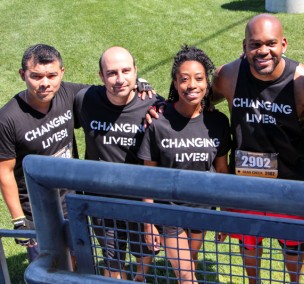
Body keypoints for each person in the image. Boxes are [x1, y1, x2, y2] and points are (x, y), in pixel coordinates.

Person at [212, 14, 304, 283]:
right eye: (255, 44)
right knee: (249, 243)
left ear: (284, 44)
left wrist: (301, 156)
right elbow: (199, 98)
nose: (263, 51)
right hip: (245, 185)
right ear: (244, 46)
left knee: (293, 245)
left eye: (271, 43)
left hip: (290, 186)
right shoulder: (228, 75)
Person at [138, 45, 231, 283]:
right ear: (175, 82)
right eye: (184, 79)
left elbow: (222, 170)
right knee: (188, 276)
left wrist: (226, 213)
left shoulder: (218, 122)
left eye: (199, 78)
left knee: (189, 265)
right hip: (169, 210)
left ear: (207, 83)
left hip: (202, 209)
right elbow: (148, 176)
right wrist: (149, 222)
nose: (192, 85)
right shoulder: (159, 122)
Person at [74, 46, 164, 281]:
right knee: (112, 259)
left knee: (144, 251)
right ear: (101, 76)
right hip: (101, 200)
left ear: (136, 71)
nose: (120, 79)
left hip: (140, 199)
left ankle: (139, 278)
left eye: (126, 71)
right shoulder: (85, 100)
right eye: (112, 73)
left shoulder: (154, 105)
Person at [0, 44, 88, 263]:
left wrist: (139, 86)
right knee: (49, 269)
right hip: (37, 210)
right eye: (36, 76)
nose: (45, 83)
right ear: (23, 75)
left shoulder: (68, 93)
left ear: (62, 73)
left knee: (79, 260)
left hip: (72, 200)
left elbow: (108, 94)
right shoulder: (8, 119)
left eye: (52, 75)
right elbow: (5, 172)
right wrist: (19, 219)